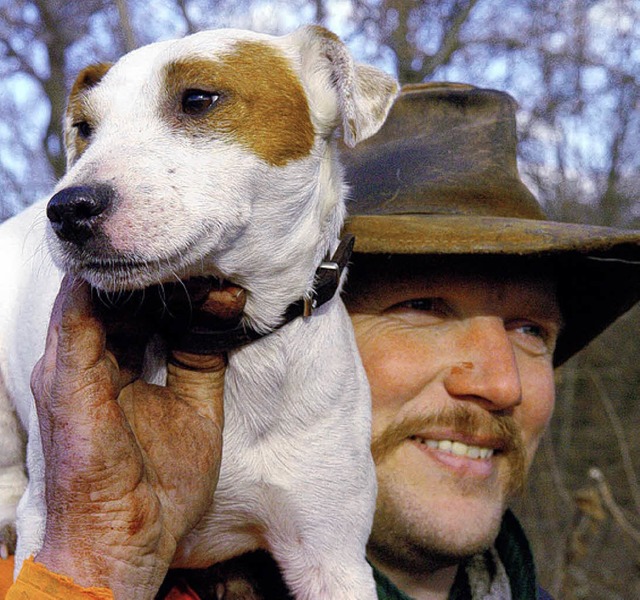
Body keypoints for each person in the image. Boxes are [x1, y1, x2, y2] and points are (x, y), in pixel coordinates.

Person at [2, 82, 640, 599]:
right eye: (422, 308)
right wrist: (92, 567)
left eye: (531, 330)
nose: (499, 383)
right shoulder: (49, 573)